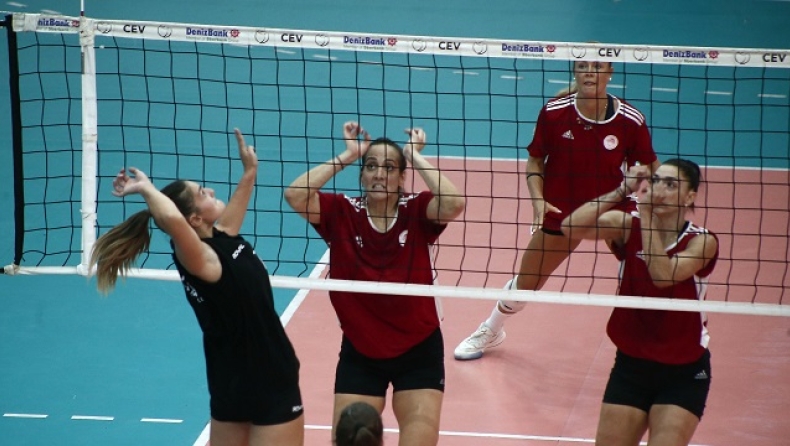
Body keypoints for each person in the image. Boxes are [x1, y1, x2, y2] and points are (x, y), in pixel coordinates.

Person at [89, 129, 304, 446]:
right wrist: (146, 189)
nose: (211, 190)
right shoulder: (200, 259)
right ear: (193, 219)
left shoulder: (220, 240)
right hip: (269, 380)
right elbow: (173, 221)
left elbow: (226, 224)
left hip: (231, 380)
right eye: (203, 193)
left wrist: (249, 172)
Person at [454, 58, 662, 360]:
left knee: (645, 268)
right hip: (562, 209)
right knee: (526, 284)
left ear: (610, 71)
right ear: (575, 71)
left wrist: (658, 198)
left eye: (598, 66)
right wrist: (538, 200)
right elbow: (535, 160)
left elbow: (653, 167)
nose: (589, 71)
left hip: (612, 207)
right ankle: (492, 329)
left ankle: (654, 339)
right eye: (583, 66)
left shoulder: (631, 119)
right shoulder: (554, 112)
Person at [284, 121, 465, 446]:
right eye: (370, 166)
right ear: (362, 176)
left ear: (401, 177)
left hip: (418, 348)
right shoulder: (342, 212)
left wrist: (414, 155)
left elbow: (454, 203)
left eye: (390, 167)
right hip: (362, 349)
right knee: (350, 440)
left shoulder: (416, 210)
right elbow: (295, 195)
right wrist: (349, 154)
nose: (379, 174)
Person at [561, 159, 718, 446]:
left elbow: (662, 276)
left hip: (683, 370)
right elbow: (570, 227)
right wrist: (622, 190)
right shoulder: (627, 225)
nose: (660, 189)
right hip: (631, 366)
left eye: (671, 184)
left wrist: (645, 216)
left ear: (689, 197)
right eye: (656, 181)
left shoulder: (702, 241)